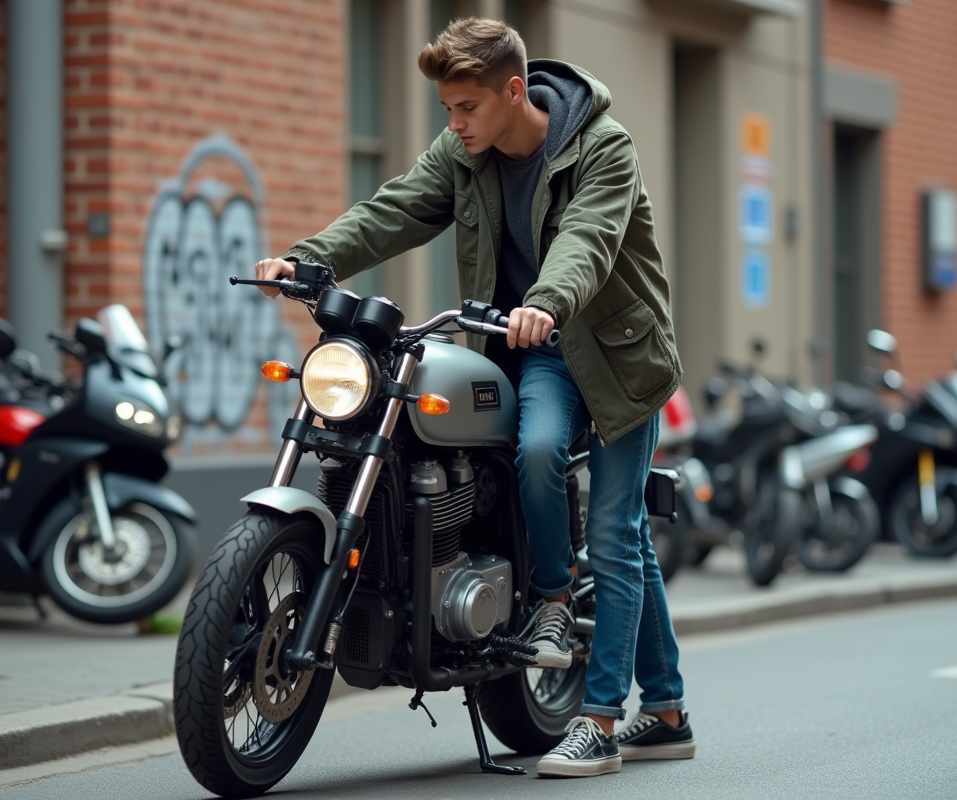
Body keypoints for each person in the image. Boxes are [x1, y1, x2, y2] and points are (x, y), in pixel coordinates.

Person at [255, 16, 694, 778]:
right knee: (569, 489)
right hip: (535, 352)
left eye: (466, 108)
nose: (454, 125)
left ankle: (596, 713)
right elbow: (395, 208)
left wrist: (547, 301)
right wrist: (308, 258)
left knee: (608, 524)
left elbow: (586, 239)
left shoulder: (603, 148)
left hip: (615, 358)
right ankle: (668, 710)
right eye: (447, 110)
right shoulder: (464, 153)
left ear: (513, 91)